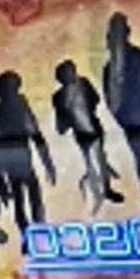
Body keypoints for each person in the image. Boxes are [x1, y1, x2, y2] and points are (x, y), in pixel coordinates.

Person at [0, 65, 57, 236]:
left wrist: (47, 162)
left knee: (25, 198)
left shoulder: (11, 106)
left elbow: (34, 132)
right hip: (16, 159)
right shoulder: (11, 107)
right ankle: (33, 232)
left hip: (18, 158)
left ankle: (33, 231)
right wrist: (47, 163)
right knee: (26, 197)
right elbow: (34, 133)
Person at [102, 13, 140, 200]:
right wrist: (120, 115)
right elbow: (110, 96)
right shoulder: (115, 65)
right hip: (133, 117)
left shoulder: (136, 57)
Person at [48, 51, 115, 209]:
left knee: (100, 157)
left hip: (94, 127)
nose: (70, 75)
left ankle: (106, 189)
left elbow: (95, 98)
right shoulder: (58, 96)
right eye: (66, 74)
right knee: (91, 161)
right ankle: (96, 190)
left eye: (71, 71)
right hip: (80, 133)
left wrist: (86, 109)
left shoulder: (84, 83)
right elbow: (60, 115)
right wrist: (65, 122)